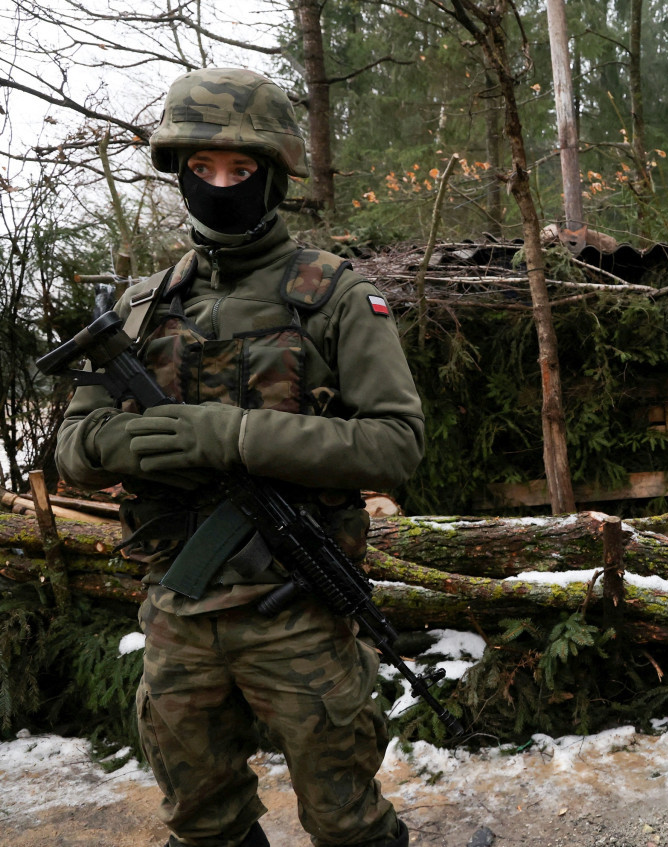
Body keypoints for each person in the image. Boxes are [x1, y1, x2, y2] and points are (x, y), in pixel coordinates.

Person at [55, 67, 425, 847]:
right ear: (179, 174)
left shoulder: (336, 297)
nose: (220, 186)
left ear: (276, 175)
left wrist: (231, 435)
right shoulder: (142, 305)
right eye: (202, 170)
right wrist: (127, 441)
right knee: (202, 823)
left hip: (295, 610)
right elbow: (75, 447)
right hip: (177, 614)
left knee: (348, 822)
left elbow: (395, 445)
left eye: (242, 170)